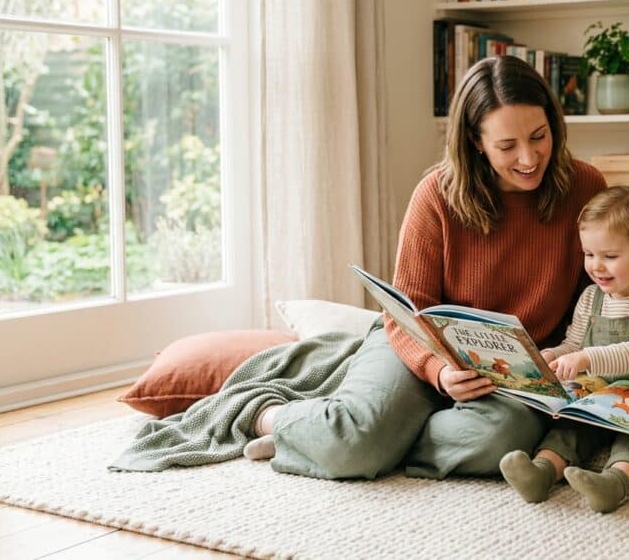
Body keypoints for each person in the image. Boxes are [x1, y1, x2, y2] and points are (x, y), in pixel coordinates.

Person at [242, 54, 607, 481]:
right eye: (507, 146)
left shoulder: (585, 187)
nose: (529, 157)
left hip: (512, 372)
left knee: (500, 442)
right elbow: (405, 313)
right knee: (355, 444)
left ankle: (361, 438)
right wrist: (439, 371)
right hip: (418, 345)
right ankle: (274, 418)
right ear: (475, 141)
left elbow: (596, 300)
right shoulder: (436, 194)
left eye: (539, 136)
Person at [499, 185, 629, 513]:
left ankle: (615, 483)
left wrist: (586, 358)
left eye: (610, 257)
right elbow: (575, 342)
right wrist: (553, 356)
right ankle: (542, 472)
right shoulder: (591, 297)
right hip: (601, 395)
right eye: (589, 254)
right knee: (570, 424)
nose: (596, 266)